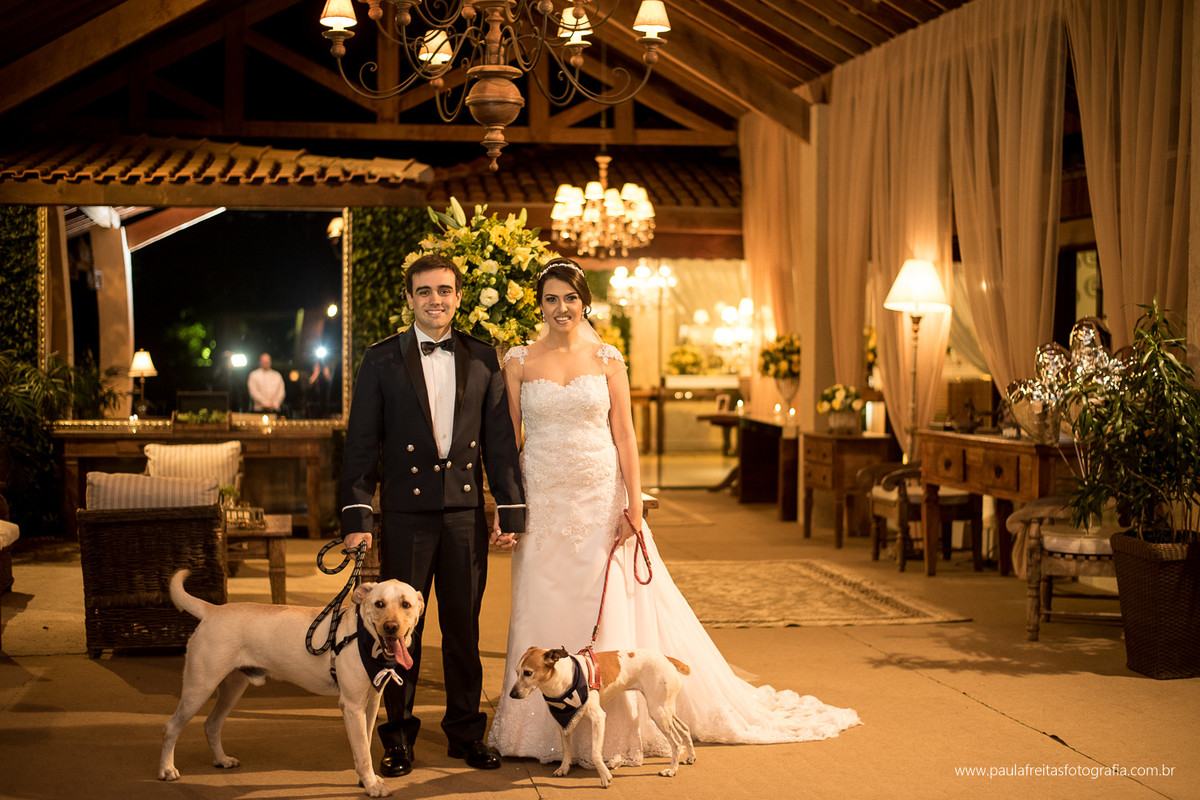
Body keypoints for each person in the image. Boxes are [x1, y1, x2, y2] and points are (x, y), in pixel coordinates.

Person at [487, 258, 860, 767]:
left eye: (569, 298)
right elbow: (508, 442)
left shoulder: (607, 358)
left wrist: (634, 505)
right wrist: (508, 508)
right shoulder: (519, 362)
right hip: (544, 501)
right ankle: (536, 734)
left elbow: (625, 436)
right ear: (539, 305)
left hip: (600, 499)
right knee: (542, 602)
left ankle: (613, 734)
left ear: (584, 302)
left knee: (605, 608)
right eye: (550, 299)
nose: (561, 309)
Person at [341, 253, 526, 778]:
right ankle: (397, 738)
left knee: (463, 629)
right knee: (396, 632)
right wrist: (358, 516)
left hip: (464, 513)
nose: (435, 299)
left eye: (444, 290)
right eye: (424, 291)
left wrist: (508, 509)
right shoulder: (380, 359)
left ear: (459, 296)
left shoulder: (483, 356)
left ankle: (466, 733)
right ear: (409, 298)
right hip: (404, 514)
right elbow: (360, 446)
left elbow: (499, 442)